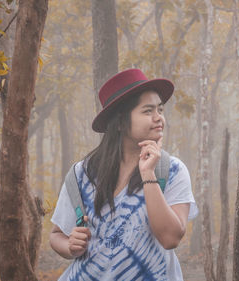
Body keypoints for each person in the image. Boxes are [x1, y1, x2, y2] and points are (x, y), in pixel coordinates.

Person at [49, 68, 198, 281]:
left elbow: (170, 238)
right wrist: (70, 245)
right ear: (119, 122)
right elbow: (56, 236)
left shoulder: (171, 170)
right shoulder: (82, 174)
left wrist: (148, 174)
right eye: (148, 111)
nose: (159, 118)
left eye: (160, 110)